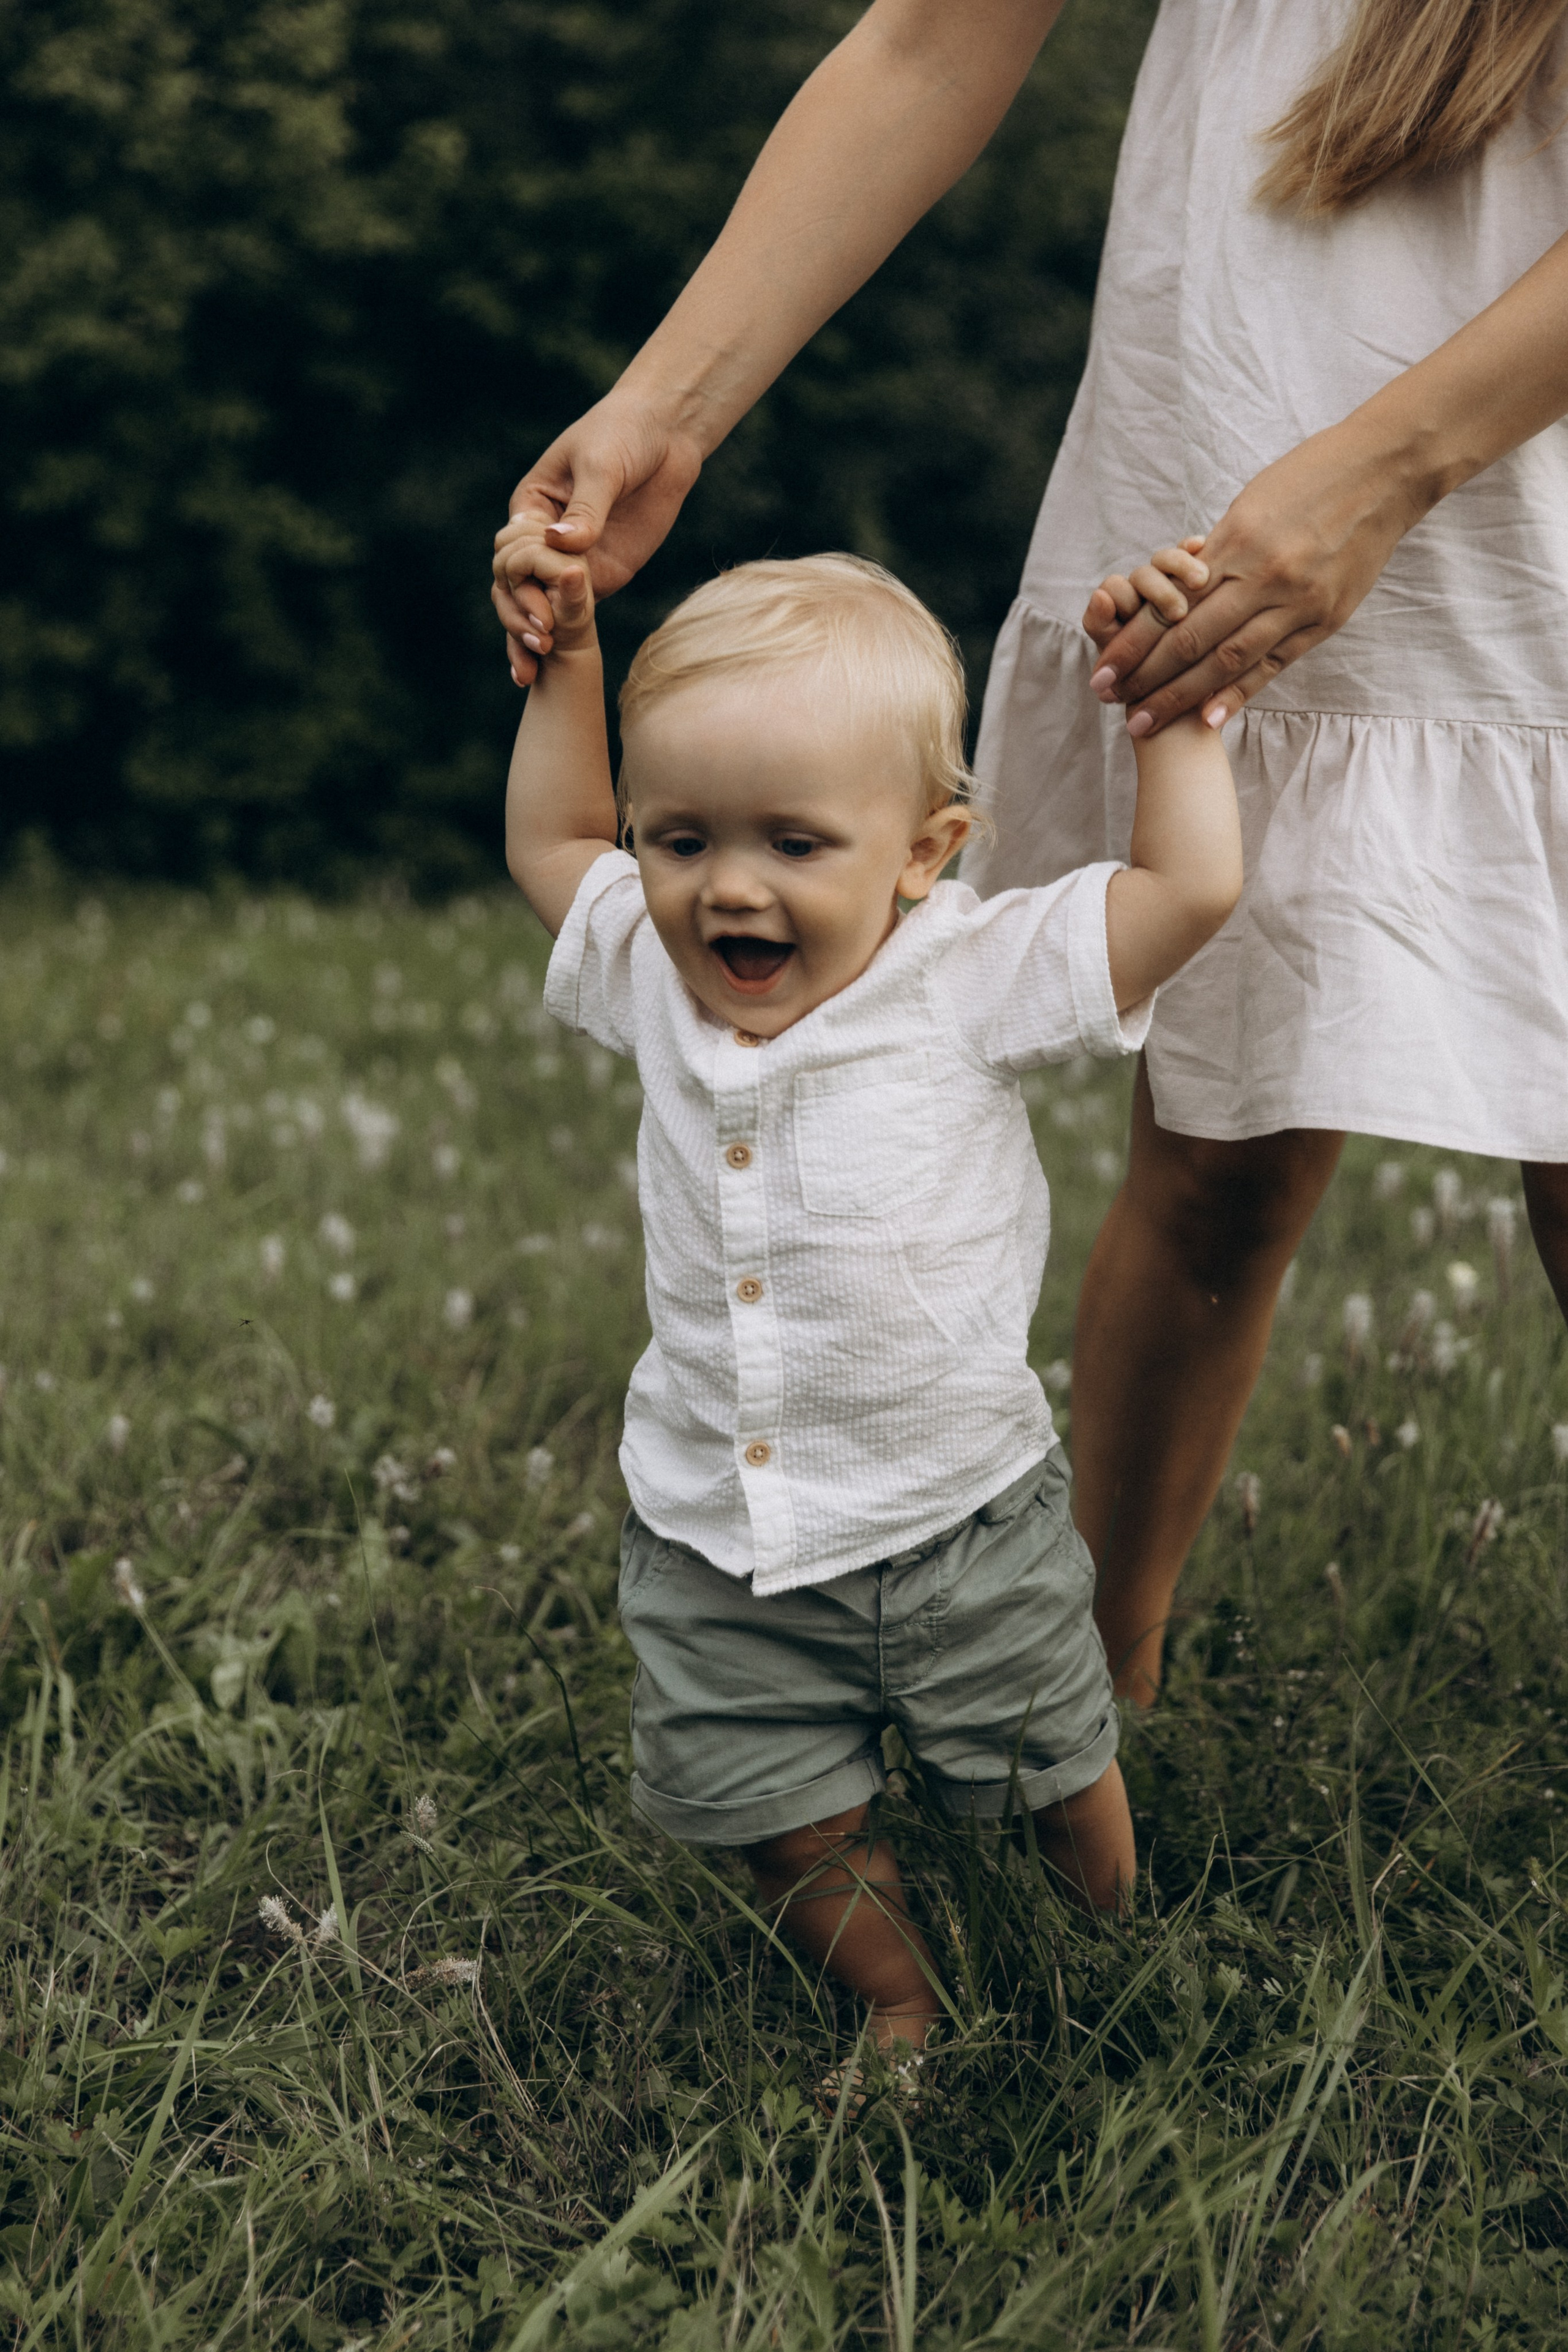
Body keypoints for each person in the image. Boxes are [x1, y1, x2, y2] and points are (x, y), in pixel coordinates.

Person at [494, 0, 1568, 1709]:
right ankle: (1087, 1696)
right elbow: (932, 40)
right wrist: (666, 409)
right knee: (1220, 1139)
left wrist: (1390, 467)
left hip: (1527, 480)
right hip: (1232, 400)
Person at [503, 537, 1240, 2059]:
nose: (727, 889)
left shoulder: (967, 972)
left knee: (1050, 1758)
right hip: (722, 1532)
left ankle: (1107, 1944)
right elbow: (550, 838)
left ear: (924, 849)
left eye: (792, 842)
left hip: (955, 1510)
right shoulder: (647, 961)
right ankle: (894, 1995)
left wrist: (1175, 724)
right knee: (779, 1812)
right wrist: (569, 659)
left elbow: (1186, 889)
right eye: (683, 837)